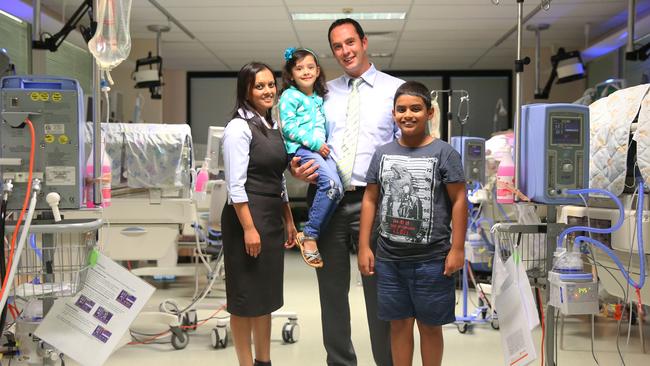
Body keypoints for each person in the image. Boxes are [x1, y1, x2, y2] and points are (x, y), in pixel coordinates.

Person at [291, 18, 404, 366]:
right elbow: (302, 140)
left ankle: (387, 361)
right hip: (328, 201)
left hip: (377, 200)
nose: (345, 51)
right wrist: (296, 166)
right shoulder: (321, 93)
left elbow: (410, 146)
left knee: (380, 291)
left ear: (364, 42)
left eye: (350, 42)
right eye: (338, 46)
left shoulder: (394, 90)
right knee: (332, 292)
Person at [358, 81, 467, 366]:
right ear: (393, 114)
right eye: (401, 109)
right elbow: (370, 199)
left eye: (416, 109)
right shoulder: (382, 154)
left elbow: (459, 201)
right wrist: (363, 246)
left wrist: (457, 248)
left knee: (430, 327)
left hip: (432, 260)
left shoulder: (445, 154)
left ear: (430, 113)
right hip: (390, 259)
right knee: (398, 325)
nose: (408, 114)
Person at [221, 61, 298, 366]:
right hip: (246, 217)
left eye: (270, 84)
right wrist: (249, 229)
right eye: (259, 86)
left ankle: (263, 361)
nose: (267, 91)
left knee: (265, 297)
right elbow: (235, 185)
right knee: (244, 299)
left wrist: (289, 219)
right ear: (246, 91)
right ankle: (245, 362)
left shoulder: (272, 125)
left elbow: (278, 180)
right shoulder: (238, 128)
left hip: (270, 216)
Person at [279, 47, 342, 269]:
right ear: (291, 74)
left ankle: (311, 232)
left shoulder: (318, 97)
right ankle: (309, 235)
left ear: (317, 71)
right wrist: (316, 144)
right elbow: (287, 128)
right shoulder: (289, 96)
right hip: (302, 150)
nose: (305, 71)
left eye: (310, 67)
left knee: (338, 187)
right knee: (331, 184)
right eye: (299, 68)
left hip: (318, 151)